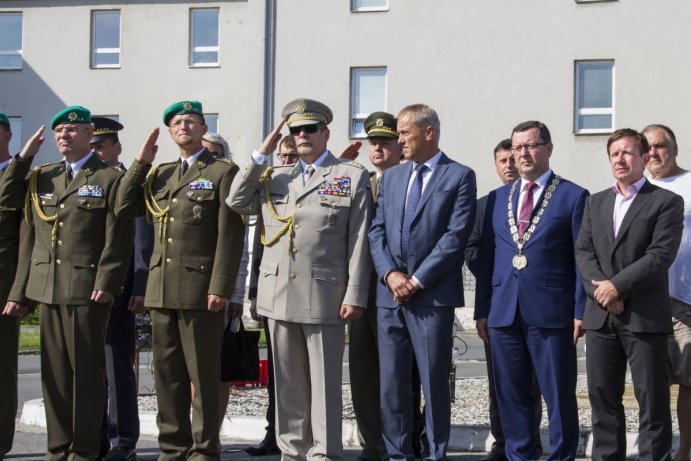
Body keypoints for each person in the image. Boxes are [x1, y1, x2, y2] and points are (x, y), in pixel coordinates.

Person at [227, 98, 372, 461]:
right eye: (296, 130)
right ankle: (292, 452)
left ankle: (324, 453)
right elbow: (235, 200)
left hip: (325, 293)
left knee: (323, 386)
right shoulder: (275, 176)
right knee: (288, 385)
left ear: (326, 133)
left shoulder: (350, 176)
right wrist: (263, 149)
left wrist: (355, 293)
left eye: (310, 129)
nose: (302, 136)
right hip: (278, 294)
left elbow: (358, 240)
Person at [115, 100, 245, 460]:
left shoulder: (222, 171)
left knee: (202, 377)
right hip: (161, 290)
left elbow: (230, 234)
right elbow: (123, 207)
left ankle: (204, 449)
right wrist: (141, 162)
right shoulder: (159, 174)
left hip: (200, 290)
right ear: (170, 133)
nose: (183, 126)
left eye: (191, 121)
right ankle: (173, 447)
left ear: (204, 130)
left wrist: (221, 286)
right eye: (176, 122)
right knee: (167, 375)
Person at [4, 106, 133, 461]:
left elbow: (117, 237)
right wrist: (24, 156)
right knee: (55, 377)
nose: (64, 135)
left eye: (72, 130)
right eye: (59, 130)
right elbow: (22, 225)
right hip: (47, 288)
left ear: (89, 135)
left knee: (87, 376)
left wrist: (107, 281)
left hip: (86, 288)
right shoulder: (42, 176)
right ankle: (57, 448)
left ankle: (85, 449)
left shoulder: (109, 178)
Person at [368, 103, 477, 461]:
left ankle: (435, 453)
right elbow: (377, 231)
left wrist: (415, 280)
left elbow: (455, 236)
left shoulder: (459, 176)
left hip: (430, 297)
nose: (399, 140)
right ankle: (398, 454)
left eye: (403, 133)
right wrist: (391, 274)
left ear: (428, 132)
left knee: (433, 381)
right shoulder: (394, 176)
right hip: (391, 297)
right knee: (392, 385)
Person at [475, 121, 588, 461]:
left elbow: (582, 258)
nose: (522, 153)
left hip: (552, 312)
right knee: (511, 396)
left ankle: (562, 456)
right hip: (502, 311)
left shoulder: (573, 195)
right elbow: (486, 260)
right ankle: (520, 455)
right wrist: (482, 309)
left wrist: (579, 310)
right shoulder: (495, 200)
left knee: (558, 396)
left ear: (549, 149)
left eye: (531, 145)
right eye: (517, 147)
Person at [575, 128, 684, 461]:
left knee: (651, 402)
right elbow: (584, 252)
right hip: (601, 318)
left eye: (627, 152)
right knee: (603, 401)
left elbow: (659, 255)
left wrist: (616, 287)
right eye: (614, 154)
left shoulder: (666, 202)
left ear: (644, 157)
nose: (619, 159)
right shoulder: (596, 202)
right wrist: (603, 292)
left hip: (644, 317)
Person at [465, 139, 542, 461]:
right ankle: (502, 443)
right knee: (500, 383)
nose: (510, 164)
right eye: (502, 160)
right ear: (495, 166)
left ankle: (530, 444)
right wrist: (502, 275)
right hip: (498, 305)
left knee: (533, 382)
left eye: (513, 158)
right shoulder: (487, 205)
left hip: (537, 306)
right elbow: (471, 249)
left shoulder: (542, 200)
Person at [90, 116, 154, 461]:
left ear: (117, 147)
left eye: (102, 145)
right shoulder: (88, 182)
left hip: (120, 291)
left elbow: (142, 240)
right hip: (85, 291)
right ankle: (96, 435)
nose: (97, 152)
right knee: (90, 369)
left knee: (118, 370)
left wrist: (140, 285)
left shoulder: (131, 183)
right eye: (93, 146)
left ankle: (123, 439)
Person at [350, 111, 402, 461]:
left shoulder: (408, 181)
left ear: (400, 145)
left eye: (386, 141)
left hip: (397, 288)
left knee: (398, 372)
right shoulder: (359, 181)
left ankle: (403, 439)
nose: (378, 147)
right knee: (363, 370)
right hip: (361, 288)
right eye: (374, 142)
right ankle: (372, 443)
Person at [245, 135, 298, 457]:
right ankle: (273, 433)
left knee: (304, 373)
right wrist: (253, 293)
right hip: (273, 291)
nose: (287, 162)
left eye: (292, 157)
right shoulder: (270, 189)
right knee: (277, 371)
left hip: (309, 294)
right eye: (283, 156)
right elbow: (261, 247)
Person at [643, 124, 691, 461]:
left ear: (674, 148)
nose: (654, 153)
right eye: (647, 148)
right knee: (651, 385)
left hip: (685, 301)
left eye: (660, 146)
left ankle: (684, 450)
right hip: (646, 302)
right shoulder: (636, 189)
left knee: (689, 381)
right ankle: (657, 450)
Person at [199, 130, 250, 442]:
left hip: (223, 294)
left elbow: (239, 249)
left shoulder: (230, 186)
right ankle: (197, 432)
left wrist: (236, 293)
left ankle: (212, 434)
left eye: (215, 152)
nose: (210, 156)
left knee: (220, 371)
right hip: (192, 291)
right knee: (193, 370)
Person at [0, 112, 30, 459]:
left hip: (4, 286)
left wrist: (20, 290)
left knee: (2, 370)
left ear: (8, 135)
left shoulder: (22, 178)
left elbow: (27, 239)